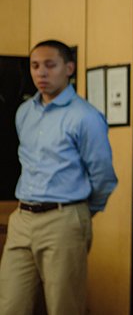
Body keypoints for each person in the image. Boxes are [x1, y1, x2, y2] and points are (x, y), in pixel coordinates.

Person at [0, 40, 118, 315]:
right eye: (35, 66)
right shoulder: (24, 112)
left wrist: (82, 214)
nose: (41, 73)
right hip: (21, 219)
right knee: (9, 305)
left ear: (69, 68)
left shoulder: (85, 117)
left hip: (63, 219)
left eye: (50, 66)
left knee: (64, 308)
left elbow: (103, 176)